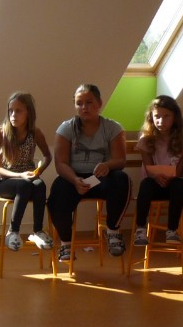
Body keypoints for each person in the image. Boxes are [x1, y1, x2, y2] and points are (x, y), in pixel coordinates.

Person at [47, 84, 131, 262]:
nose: (84, 107)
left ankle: (113, 231)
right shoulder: (66, 128)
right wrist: (74, 179)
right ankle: (66, 244)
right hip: (74, 179)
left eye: (89, 102)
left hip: (99, 179)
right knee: (57, 192)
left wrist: (107, 165)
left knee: (122, 179)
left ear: (99, 103)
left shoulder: (113, 128)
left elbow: (120, 160)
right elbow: (60, 164)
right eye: (79, 103)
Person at [0, 92, 53, 251]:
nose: (13, 115)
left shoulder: (35, 133)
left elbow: (47, 156)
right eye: (11, 110)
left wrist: (39, 171)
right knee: (23, 185)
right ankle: (12, 231)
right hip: (5, 182)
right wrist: (21, 175)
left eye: (18, 111)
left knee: (40, 185)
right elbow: (0, 170)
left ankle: (37, 231)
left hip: (28, 179)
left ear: (28, 113)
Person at [132, 95, 183, 247]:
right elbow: (148, 167)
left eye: (166, 116)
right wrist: (157, 176)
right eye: (157, 116)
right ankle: (140, 229)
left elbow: (180, 169)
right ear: (151, 118)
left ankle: (172, 230)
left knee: (180, 184)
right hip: (154, 183)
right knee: (146, 184)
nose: (161, 121)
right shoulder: (146, 139)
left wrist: (170, 177)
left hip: (174, 183)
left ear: (175, 117)